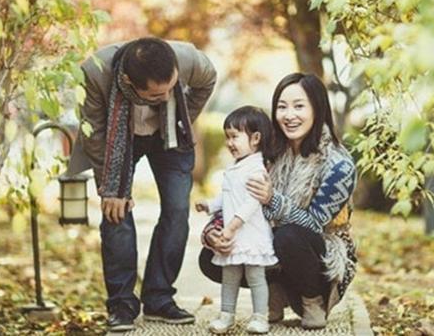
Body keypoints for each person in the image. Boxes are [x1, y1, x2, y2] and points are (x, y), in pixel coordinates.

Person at [67, 37, 217, 332]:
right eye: (156, 95)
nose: (165, 96)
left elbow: (208, 81)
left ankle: (159, 298)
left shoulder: (188, 60)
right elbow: (95, 134)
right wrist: (111, 188)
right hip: (117, 140)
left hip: (170, 135)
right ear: (128, 81)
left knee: (176, 210)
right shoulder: (96, 73)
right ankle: (121, 304)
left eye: (170, 89)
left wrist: (181, 119)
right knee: (116, 212)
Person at [199, 73, 357, 330]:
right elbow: (237, 198)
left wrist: (273, 199)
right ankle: (273, 291)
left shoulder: (338, 164)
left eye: (299, 106)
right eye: (282, 106)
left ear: (318, 108)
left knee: (289, 235)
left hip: (319, 262)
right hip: (272, 249)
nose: (289, 115)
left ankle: (312, 301)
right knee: (210, 257)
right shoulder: (266, 153)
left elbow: (315, 225)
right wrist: (214, 232)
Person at [195, 106, 277, 334]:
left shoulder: (256, 169)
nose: (229, 143)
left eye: (234, 137)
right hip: (232, 236)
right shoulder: (237, 166)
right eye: (227, 137)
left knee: (256, 277)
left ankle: (260, 316)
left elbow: (252, 203)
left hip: (249, 234)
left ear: (255, 139)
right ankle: (226, 315)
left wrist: (231, 227)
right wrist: (211, 205)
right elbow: (227, 196)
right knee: (229, 277)